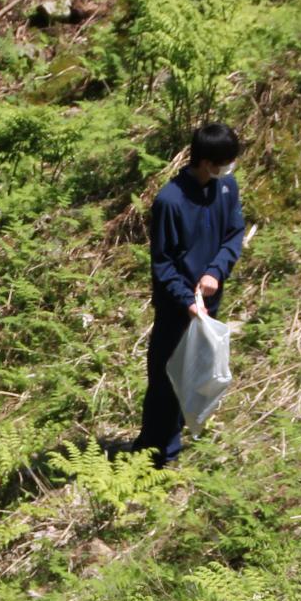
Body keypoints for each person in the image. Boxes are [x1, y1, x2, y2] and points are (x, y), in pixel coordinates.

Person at [132, 122, 248, 465]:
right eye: (223, 162)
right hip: (176, 307)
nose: (228, 169)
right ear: (205, 160)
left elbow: (234, 233)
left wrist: (215, 271)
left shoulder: (225, 187)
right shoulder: (170, 201)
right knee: (165, 378)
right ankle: (154, 456)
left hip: (209, 301)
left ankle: (180, 433)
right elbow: (163, 264)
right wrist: (186, 301)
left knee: (197, 372)